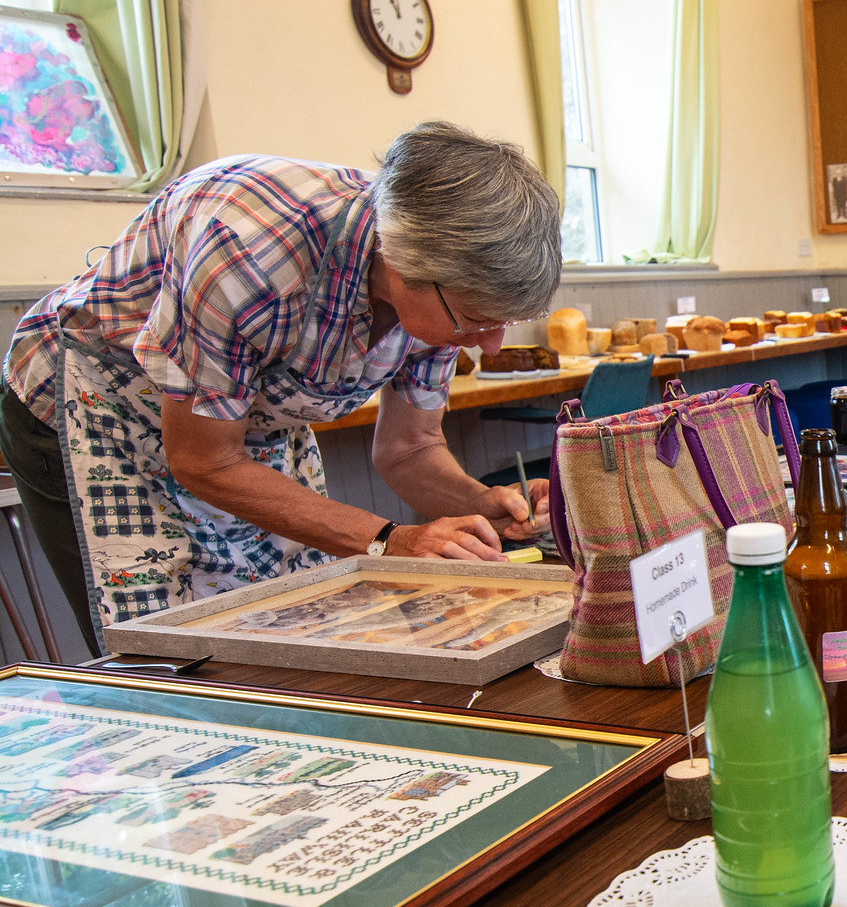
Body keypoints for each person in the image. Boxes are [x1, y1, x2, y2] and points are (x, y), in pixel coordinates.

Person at [0, 120, 561, 648]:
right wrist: (388, 538)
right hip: (102, 406)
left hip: (235, 431)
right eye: (475, 320)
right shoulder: (248, 250)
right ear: (400, 262)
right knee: (164, 646)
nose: (490, 345)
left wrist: (481, 503)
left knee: (300, 624)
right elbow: (203, 460)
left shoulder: (443, 288)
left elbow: (409, 448)